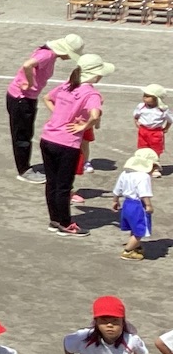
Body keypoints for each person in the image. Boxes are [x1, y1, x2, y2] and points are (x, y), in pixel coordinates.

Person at [39, 53, 113, 235]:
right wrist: (83, 126)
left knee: (52, 183)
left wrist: (59, 116)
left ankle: (55, 220)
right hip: (67, 144)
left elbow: (47, 97)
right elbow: (95, 115)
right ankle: (65, 224)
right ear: (96, 74)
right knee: (64, 186)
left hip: (48, 138)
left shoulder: (67, 85)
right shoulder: (91, 93)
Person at [6, 34, 83, 181]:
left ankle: (24, 166)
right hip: (21, 98)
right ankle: (24, 170)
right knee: (22, 135)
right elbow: (27, 65)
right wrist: (29, 83)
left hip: (24, 98)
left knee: (25, 133)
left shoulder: (47, 53)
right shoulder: (47, 55)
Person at [112, 148, 155, 260]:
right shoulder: (143, 176)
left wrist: (115, 200)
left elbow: (118, 188)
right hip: (138, 206)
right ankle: (128, 251)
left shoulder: (125, 173)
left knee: (134, 227)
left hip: (127, 203)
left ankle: (137, 246)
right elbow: (144, 193)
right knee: (140, 230)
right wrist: (148, 205)